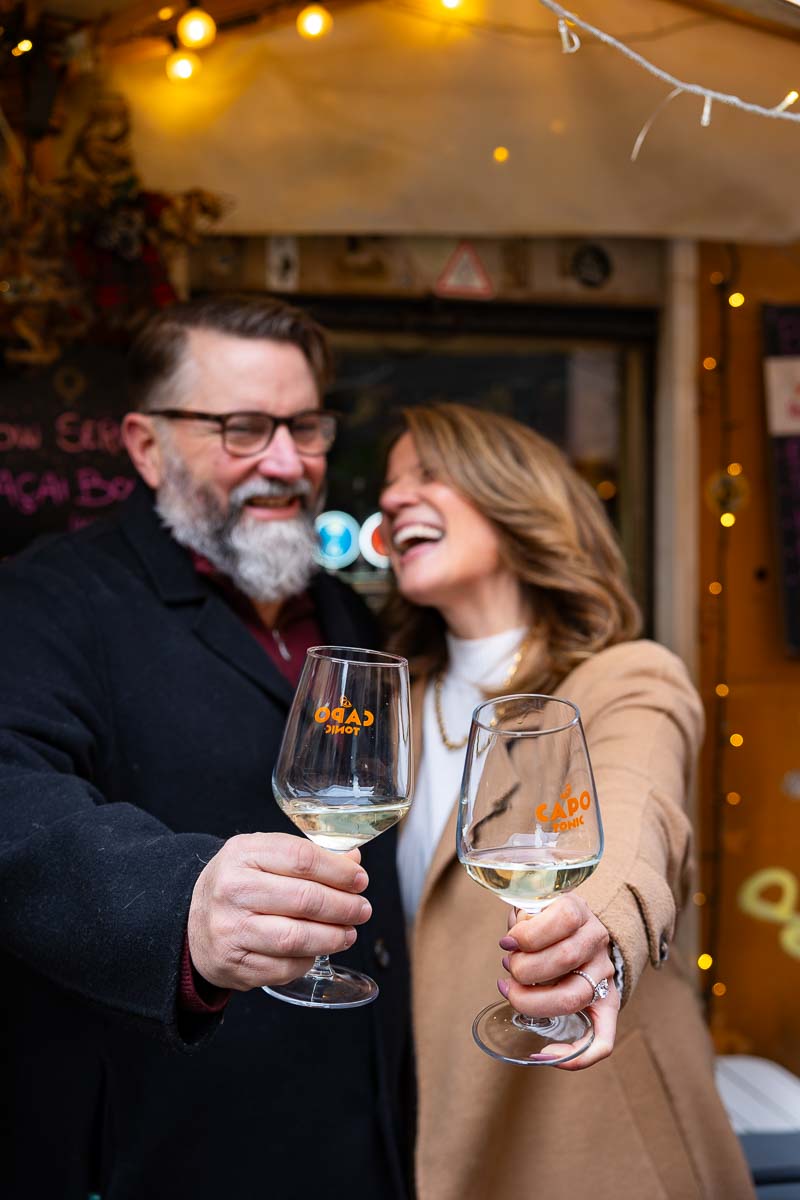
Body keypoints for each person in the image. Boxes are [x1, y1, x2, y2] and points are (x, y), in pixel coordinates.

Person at [0, 296, 411, 1200]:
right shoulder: (49, 599)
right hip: (163, 1144)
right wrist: (180, 899)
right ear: (147, 446)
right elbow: (11, 799)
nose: (285, 462)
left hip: (358, 1138)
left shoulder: (346, 613)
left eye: (304, 426)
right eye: (241, 428)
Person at [379, 402, 755, 1200]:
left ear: (513, 496)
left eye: (427, 475)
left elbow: (635, 809)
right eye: (388, 485)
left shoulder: (625, 677)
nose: (392, 498)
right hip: (424, 1121)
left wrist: (599, 932)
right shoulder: (395, 697)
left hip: (596, 1145)